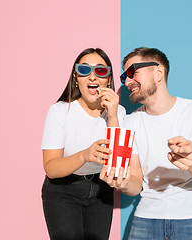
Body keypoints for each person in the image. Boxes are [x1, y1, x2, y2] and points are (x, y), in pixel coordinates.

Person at [100, 47, 192, 239]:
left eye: (132, 72)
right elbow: (135, 184)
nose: (127, 81)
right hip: (147, 221)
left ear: (158, 72)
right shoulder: (131, 122)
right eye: (124, 77)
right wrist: (123, 183)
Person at [41, 48, 126, 240]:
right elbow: (51, 168)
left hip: (101, 190)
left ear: (109, 79)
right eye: (84, 70)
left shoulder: (118, 112)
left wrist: (112, 115)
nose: (93, 76)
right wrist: (84, 155)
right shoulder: (59, 111)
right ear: (76, 77)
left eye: (101, 71)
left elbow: (118, 164)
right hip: (63, 189)